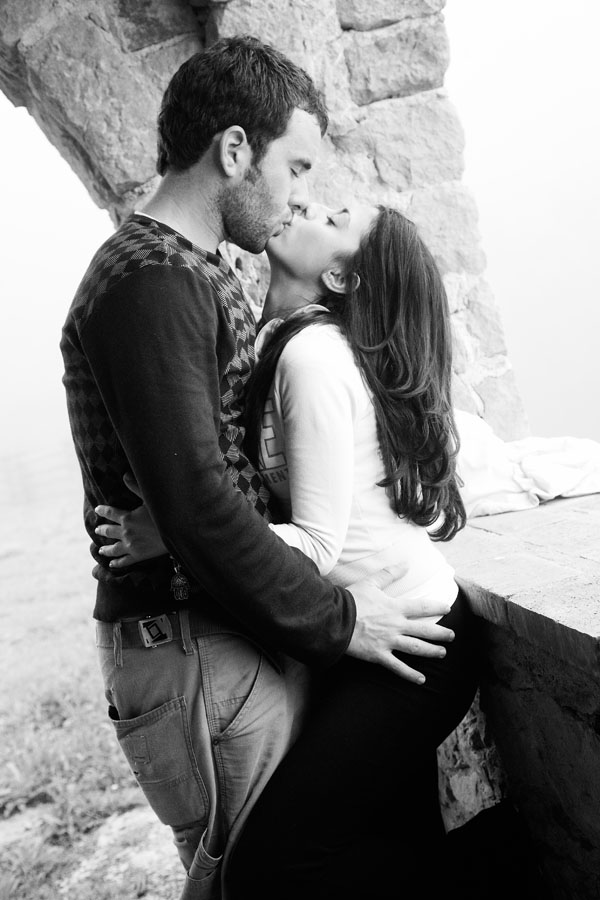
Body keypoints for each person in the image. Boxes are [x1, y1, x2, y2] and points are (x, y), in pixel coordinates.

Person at [60, 36, 455, 900]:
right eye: (296, 166)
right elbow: (200, 505)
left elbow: (210, 486)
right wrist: (338, 622)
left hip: (224, 636)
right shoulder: (152, 282)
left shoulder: (195, 269)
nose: (300, 195)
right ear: (235, 151)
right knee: (253, 880)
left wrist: (180, 524)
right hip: (189, 646)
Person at [98, 201, 479, 898]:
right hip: (365, 638)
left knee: (268, 870)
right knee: (388, 839)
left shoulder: (312, 356)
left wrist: (174, 534)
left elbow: (317, 546)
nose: (304, 205)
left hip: (414, 640)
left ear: (339, 277)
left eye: (333, 220)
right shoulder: (285, 341)